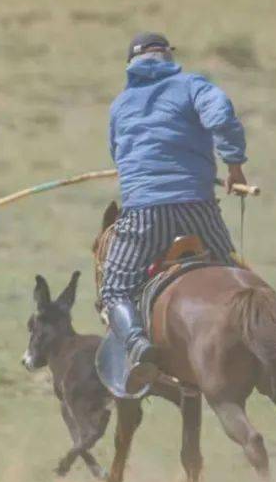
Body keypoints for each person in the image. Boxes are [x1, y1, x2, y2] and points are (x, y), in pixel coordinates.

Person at [100, 32, 249, 397]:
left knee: (114, 287)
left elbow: (118, 156)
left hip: (144, 213)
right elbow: (221, 113)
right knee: (234, 270)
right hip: (198, 208)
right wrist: (234, 165)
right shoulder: (191, 85)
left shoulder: (120, 105)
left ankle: (137, 345)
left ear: (131, 64)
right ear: (167, 56)